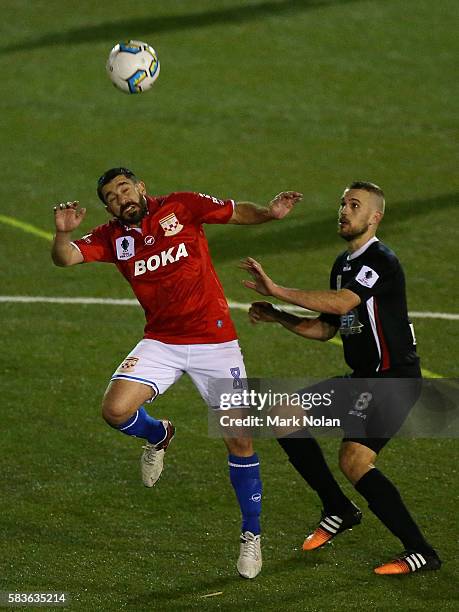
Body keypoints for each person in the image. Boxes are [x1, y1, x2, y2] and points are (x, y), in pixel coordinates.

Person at [51, 167, 302, 579]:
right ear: (108, 207)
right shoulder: (112, 237)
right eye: (111, 197)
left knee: (239, 440)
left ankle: (251, 534)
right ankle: (157, 434)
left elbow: (237, 212)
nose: (121, 199)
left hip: (216, 344)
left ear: (141, 188)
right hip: (162, 343)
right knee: (114, 411)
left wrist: (271, 213)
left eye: (125, 189)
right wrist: (63, 233)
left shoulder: (181, 207)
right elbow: (66, 258)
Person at [242, 181, 441, 575]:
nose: (344, 210)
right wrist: (279, 317)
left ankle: (419, 550)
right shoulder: (343, 265)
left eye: (355, 205)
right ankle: (341, 509)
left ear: (374, 217)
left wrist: (278, 289)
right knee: (292, 420)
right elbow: (327, 327)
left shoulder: (381, 260)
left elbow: (344, 302)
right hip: (364, 379)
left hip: (393, 381)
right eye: (343, 203)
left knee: (349, 457)